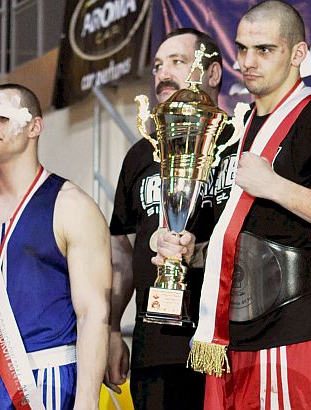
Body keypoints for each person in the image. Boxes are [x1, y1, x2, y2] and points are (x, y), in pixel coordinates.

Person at [154, 1, 311, 408]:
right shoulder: (238, 129)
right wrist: (194, 253)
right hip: (226, 342)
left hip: (289, 335)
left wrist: (275, 186)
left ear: (298, 54)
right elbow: (246, 234)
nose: (248, 61)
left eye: (264, 49)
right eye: (242, 49)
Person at [0, 83, 112, 410]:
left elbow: (93, 314)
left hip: (45, 380)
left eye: (2, 117)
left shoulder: (72, 207)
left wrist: (87, 401)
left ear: (34, 126)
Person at [107, 28, 227, 410]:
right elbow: (122, 249)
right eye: (158, 66)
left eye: (177, 61)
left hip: (223, 345)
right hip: (154, 347)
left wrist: (199, 253)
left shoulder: (239, 143)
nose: (163, 74)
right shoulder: (141, 152)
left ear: (213, 73)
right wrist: (112, 327)